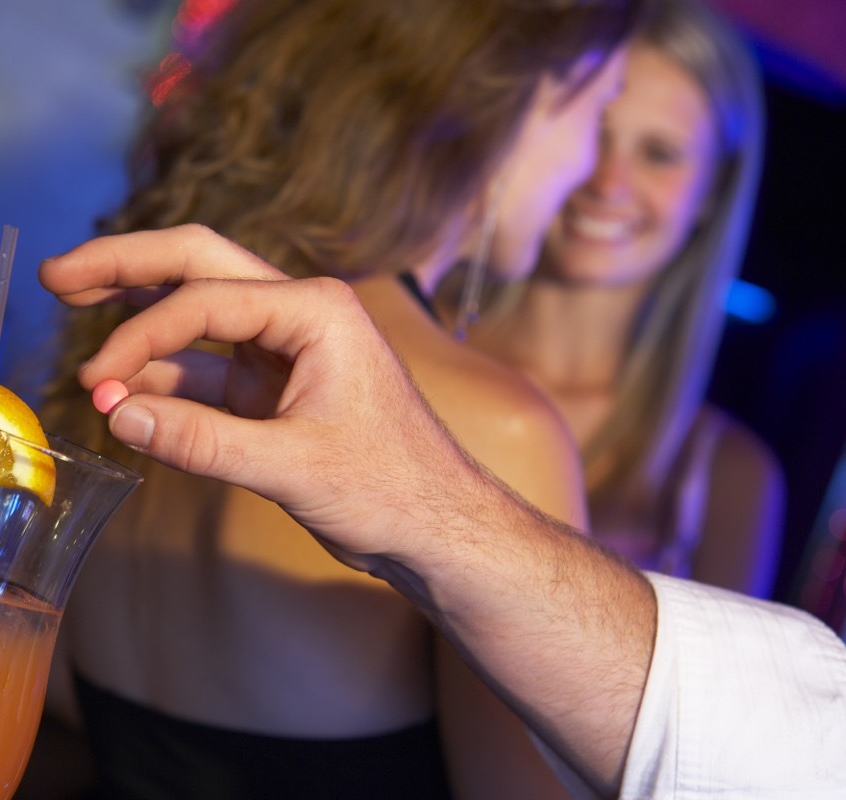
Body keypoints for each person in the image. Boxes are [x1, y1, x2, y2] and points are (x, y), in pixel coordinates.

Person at [37, 0, 643, 796]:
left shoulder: (139, 347)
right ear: (505, 103)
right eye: (597, 112)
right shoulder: (491, 429)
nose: (592, 172)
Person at [37, 224, 846, 799]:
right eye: (598, 118)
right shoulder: (483, 412)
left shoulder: (712, 466)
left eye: (658, 148)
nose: (605, 175)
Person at [437, 0, 784, 597]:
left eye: (658, 154)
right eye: (596, 130)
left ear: (712, 192)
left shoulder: (726, 477)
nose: (607, 183)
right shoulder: (410, 343)